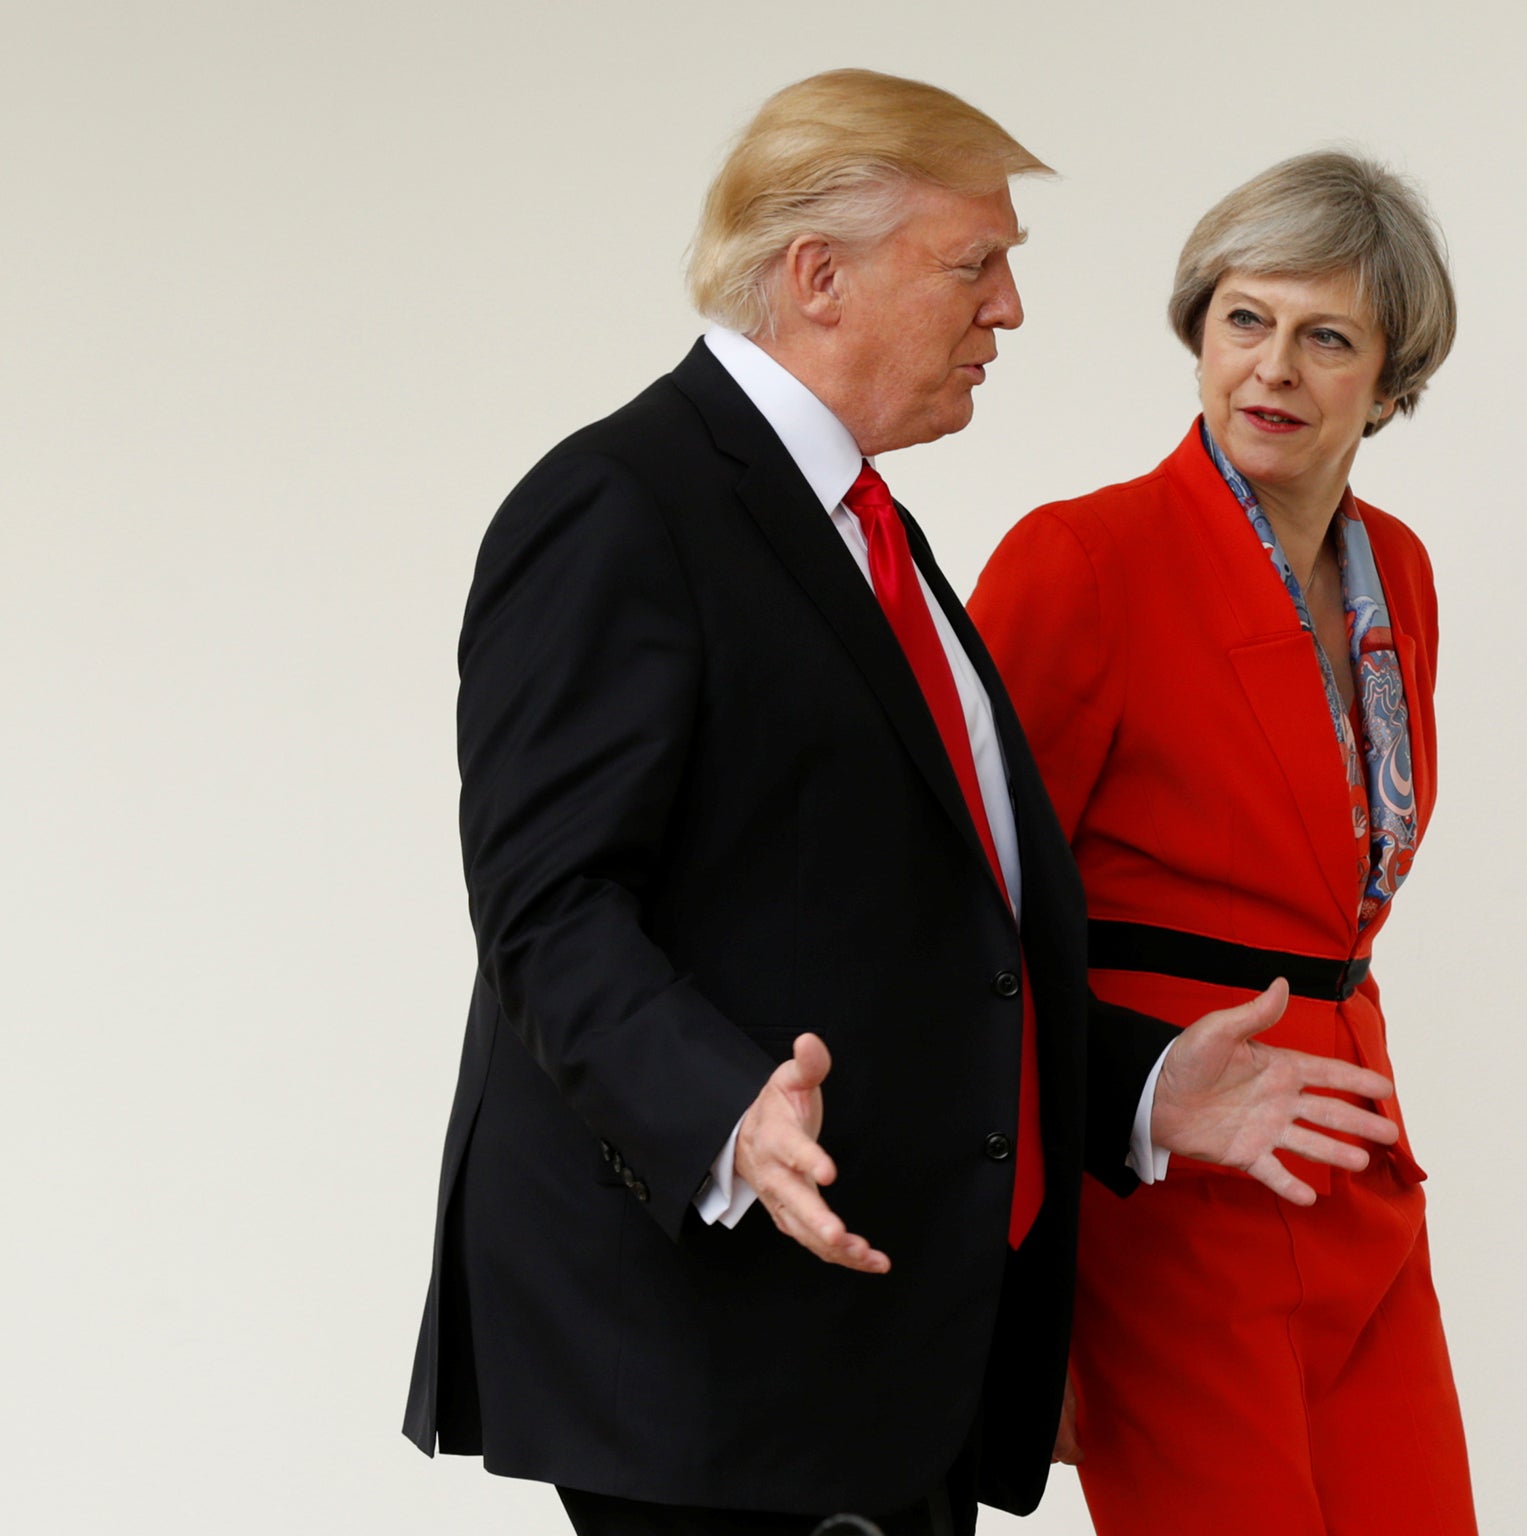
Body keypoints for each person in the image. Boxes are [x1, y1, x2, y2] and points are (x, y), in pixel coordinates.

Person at [400, 75, 1397, 1536]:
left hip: (878, 1342)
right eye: (974, 264)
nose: (1007, 311)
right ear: (819, 279)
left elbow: (941, 933)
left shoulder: (868, 528)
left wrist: (1133, 1086)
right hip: (710, 1349)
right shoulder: (622, 502)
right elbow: (548, 907)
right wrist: (723, 1110)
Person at [968, 150, 1476, 1534]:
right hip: (1168, 1193)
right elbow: (970, 925)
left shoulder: (1404, 575)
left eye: (1327, 338)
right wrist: (1024, 1298)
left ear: (1391, 375)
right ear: (1198, 326)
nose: (1274, 369)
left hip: (1355, 1171)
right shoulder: (1082, 560)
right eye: (1245, 319)